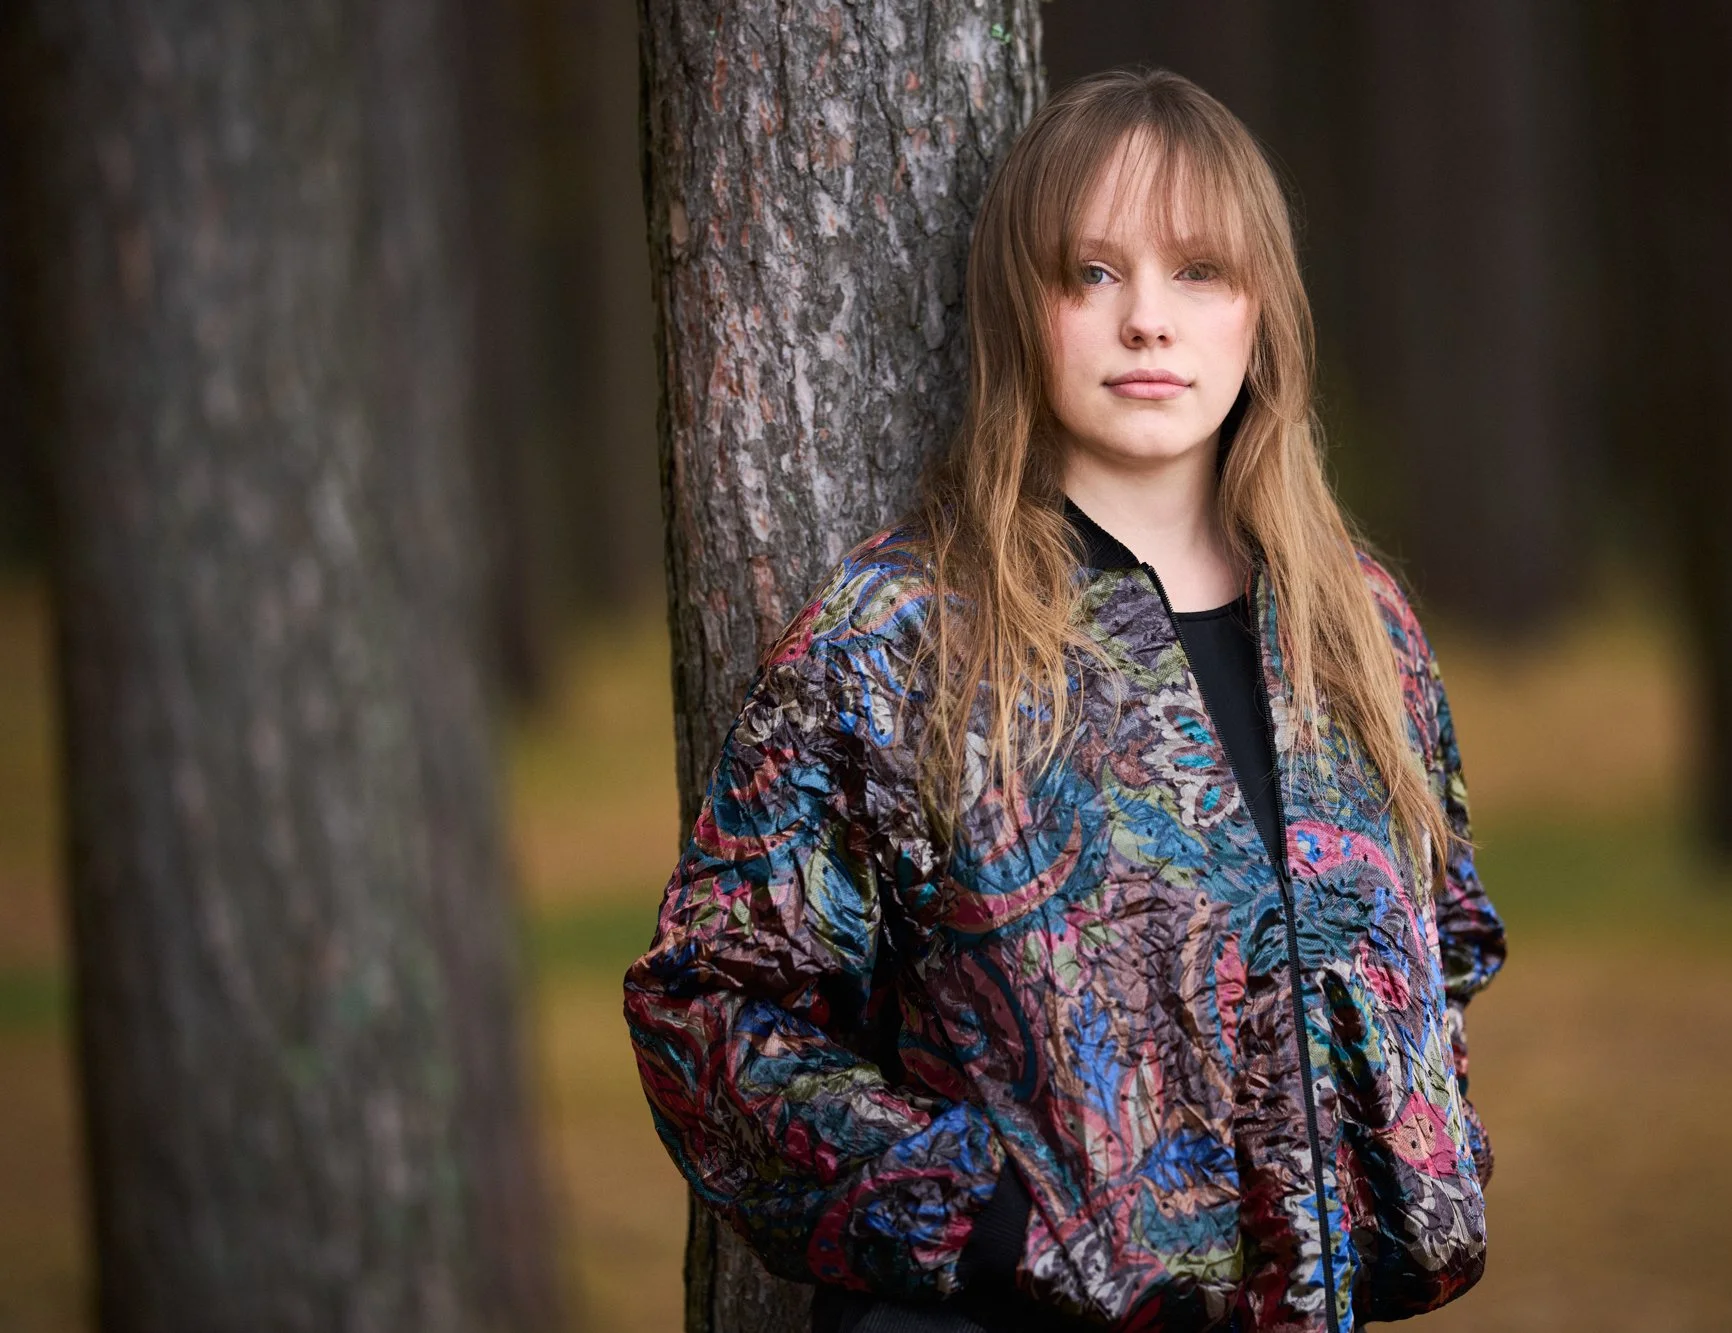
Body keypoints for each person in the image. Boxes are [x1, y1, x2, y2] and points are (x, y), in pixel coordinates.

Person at [623, 67, 1507, 1333]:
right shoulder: (901, 638)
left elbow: (1446, 936)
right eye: (1090, 273)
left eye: (1198, 269)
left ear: (1262, 309)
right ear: (1018, 311)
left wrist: (1409, 1156)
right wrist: (985, 1224)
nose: (1148, 319)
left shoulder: (1357, 626)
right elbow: (707, 1008)